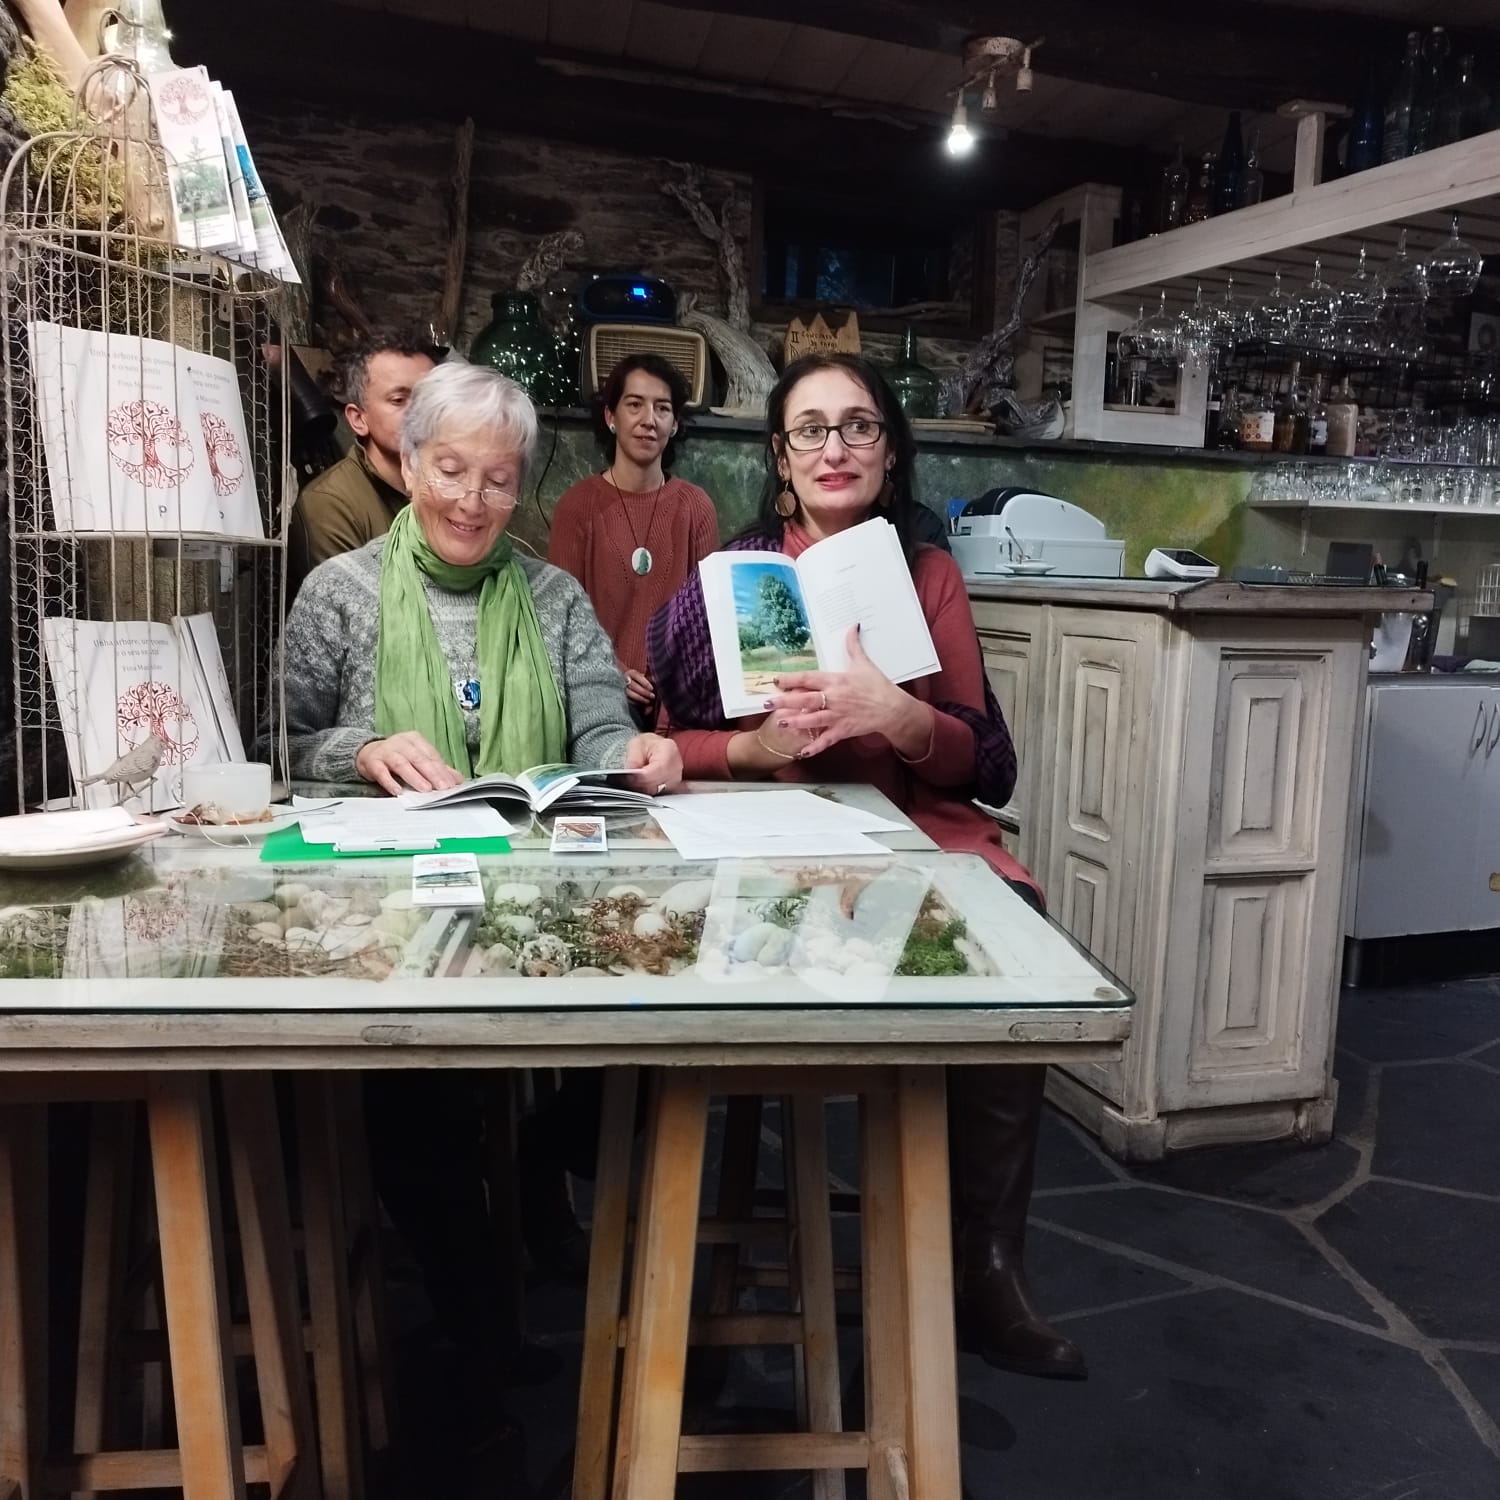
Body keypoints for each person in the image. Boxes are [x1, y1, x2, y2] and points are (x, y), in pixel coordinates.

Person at [647, 353, 1086, 1382]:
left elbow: (990, 759)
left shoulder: (927, 573)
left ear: (889, 455)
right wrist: (753, 748)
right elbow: (672, 745)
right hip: (771, 829)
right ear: (780, 458)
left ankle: (986, 1266)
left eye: (857, 427)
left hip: (913, 825)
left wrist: (899, 713)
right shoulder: (733, 578)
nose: (834, 447)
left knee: (1019, 929)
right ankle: (677, 1253)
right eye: (810, 430)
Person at [282, 362, 682, 1474]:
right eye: (448, 470)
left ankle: (495, 1294)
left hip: (541, 909)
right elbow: (287, 746)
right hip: (387, 920)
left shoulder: (552, 597)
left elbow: (602, 728)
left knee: (648, 1041)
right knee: (421, 1109)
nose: (470, 501)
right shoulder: (343, 593)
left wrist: (631, 755)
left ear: (522, 489)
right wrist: (355, 752)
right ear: (409, 464)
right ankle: (471, 1346)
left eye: (496, 480)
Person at [547, 353, 718, 725]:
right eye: (635, 405)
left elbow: (709, 618)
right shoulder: (578, 507)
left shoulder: (695, 506)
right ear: (611, 417)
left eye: (663, 408)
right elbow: (561, 617)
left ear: (673, 425)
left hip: (679, 693)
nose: (648, 420)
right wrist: (614, 669)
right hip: (597, 687)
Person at [286, 334, 436, 596]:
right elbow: (354, 620)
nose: (421, 413)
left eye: (431, 400)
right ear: (358, 419)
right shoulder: (329, 504)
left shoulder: (456, 490)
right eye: (399, 400)